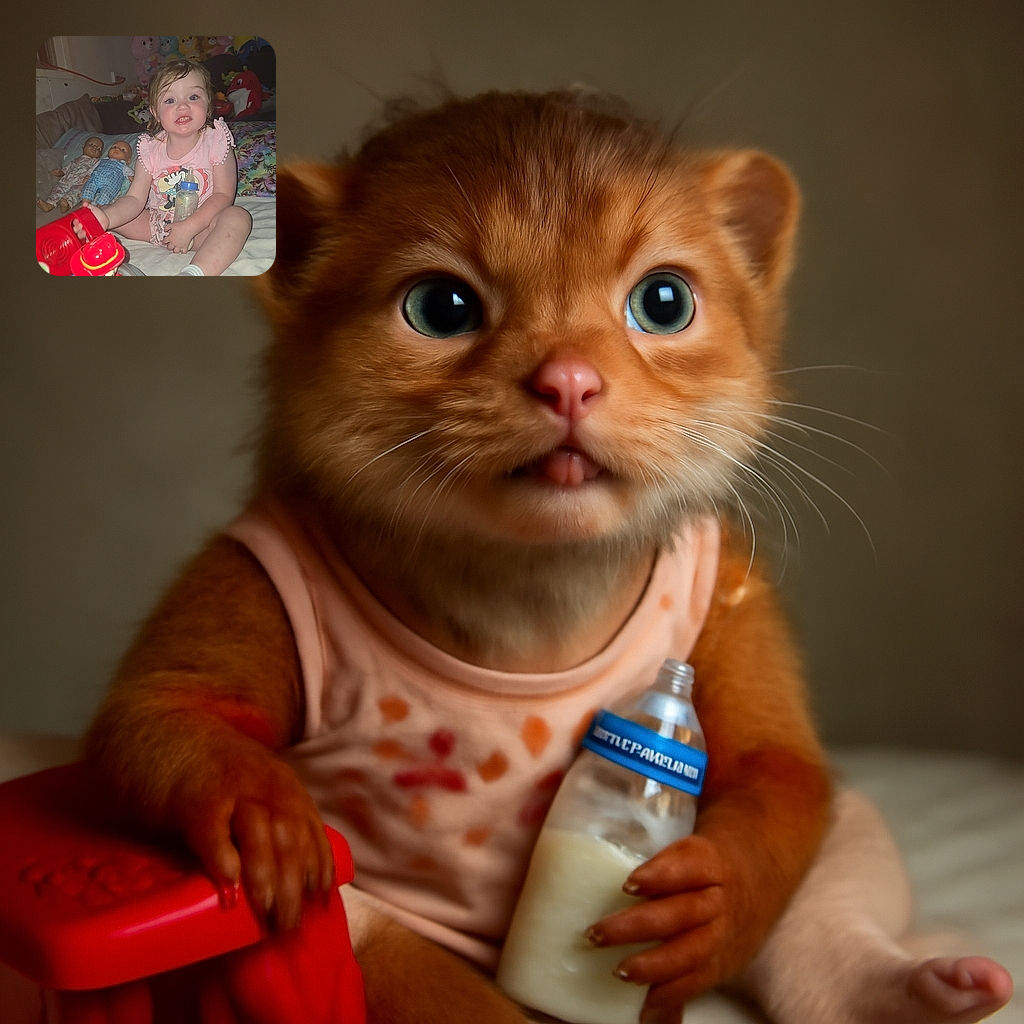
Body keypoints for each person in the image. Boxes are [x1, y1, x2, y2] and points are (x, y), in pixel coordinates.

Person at [74, 59, 251, 276]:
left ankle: (195, 272)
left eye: (193, 97)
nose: (183, 106)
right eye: (170, 100)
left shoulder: (216, 139)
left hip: (203, 228)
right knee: (112, 211)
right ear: (155, 113)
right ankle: (110, 262)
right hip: (157, 226)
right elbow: (135, 200)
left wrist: (189, 227)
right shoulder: (150, 149)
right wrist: (106, 216)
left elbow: (223, 195)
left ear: (209, 103)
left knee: (238, 217)